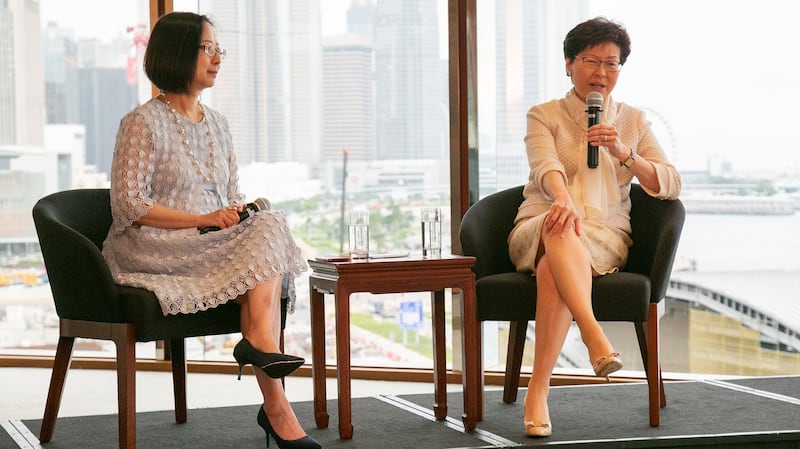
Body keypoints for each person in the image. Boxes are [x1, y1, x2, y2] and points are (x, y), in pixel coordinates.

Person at [101, 12, 320, 449]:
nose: (218, 58)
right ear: (179, 53)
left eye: (220, 49)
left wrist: (237, 212)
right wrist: (202, 220)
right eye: (208, 49)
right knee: (265, 259)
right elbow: (129, 205)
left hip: (209, 244)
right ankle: (269, 381)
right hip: (153, 248)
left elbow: (230, 193)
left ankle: (265, 371)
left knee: (269, 221)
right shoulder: (141, 123)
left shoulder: (218, 123)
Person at [507, 17, 682, 438]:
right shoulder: (544, 115)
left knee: (552, 266)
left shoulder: (633, 121)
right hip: (540, 221)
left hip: (603, 234)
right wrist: (562, 197)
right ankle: (592, 333)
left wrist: (624, 153)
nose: (601, 72)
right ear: (569, 64)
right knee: (559, 223)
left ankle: (538, 391)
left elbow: (670, 183)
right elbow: (545, 164)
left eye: (611, 63)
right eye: (591, 61)